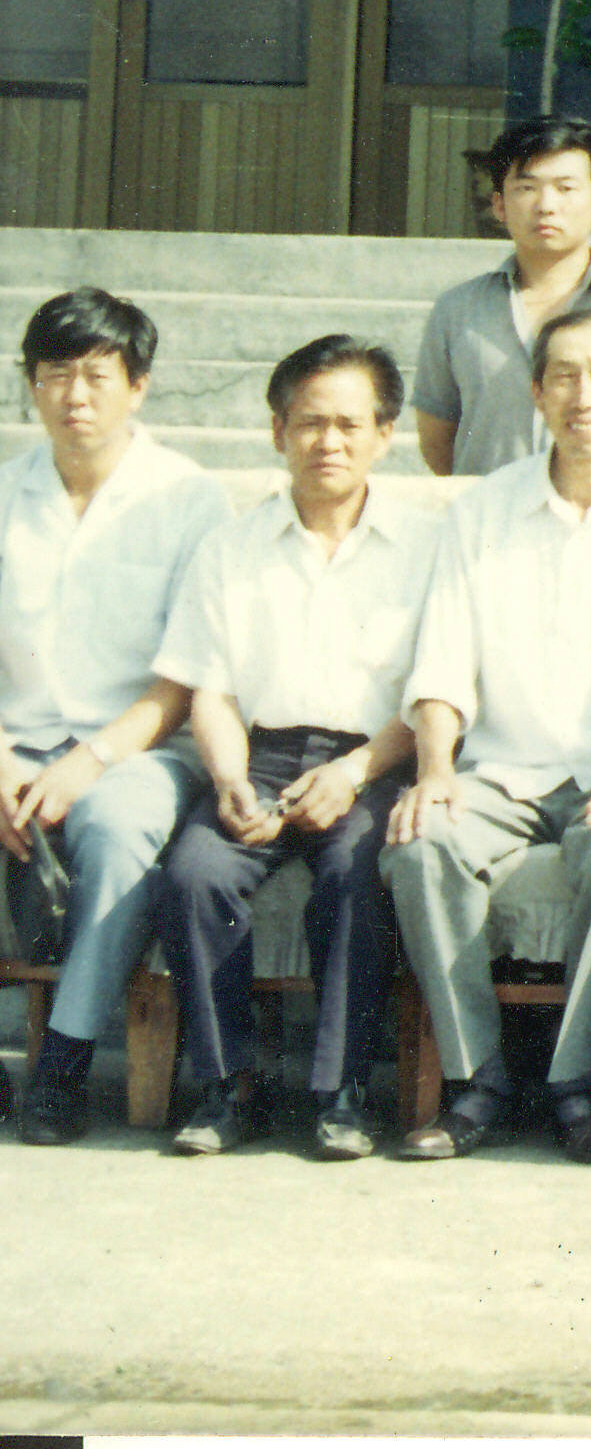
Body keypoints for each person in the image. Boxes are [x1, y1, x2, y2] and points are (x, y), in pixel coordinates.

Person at [384, 303, 591, 1165]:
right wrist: (434, 769)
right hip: (503, 767)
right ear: (535, 392)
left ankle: (574, 1083)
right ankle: (479, 1080)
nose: (583, 396)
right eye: (563, 376)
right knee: (420, 843)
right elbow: (443, 656)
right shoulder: (483, 509)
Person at [150, 337, 429, 1161]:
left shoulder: (425, 549)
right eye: (309, 423)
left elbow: (434, 693)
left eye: (349, 424)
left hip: (376, 759)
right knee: (196, 873)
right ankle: (227, 1085)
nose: (328, 442)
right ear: (277, 432)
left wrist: (354, 771)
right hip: (261, 755)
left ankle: (339, 1093)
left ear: (385, 434)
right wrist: (229, 778)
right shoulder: (230, 548)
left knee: (355, 873)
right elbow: (211, 690)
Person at [0, 288, 232, 1148]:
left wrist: (90, 759)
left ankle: (61, 1065)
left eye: (98, 376)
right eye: (55, 374)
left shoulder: (188, 499)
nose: (75, 396)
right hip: (14, 738)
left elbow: (183, 676)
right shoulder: (5, 491)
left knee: (118, 825)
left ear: (138, 386)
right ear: (30, 384)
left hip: (141, 746)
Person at [413, 115, 591, 480]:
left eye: (566, 188)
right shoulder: (458, 311)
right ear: (499, 205)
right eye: (527, 188)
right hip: (493, 508)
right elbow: (437, 439)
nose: (546, 205)